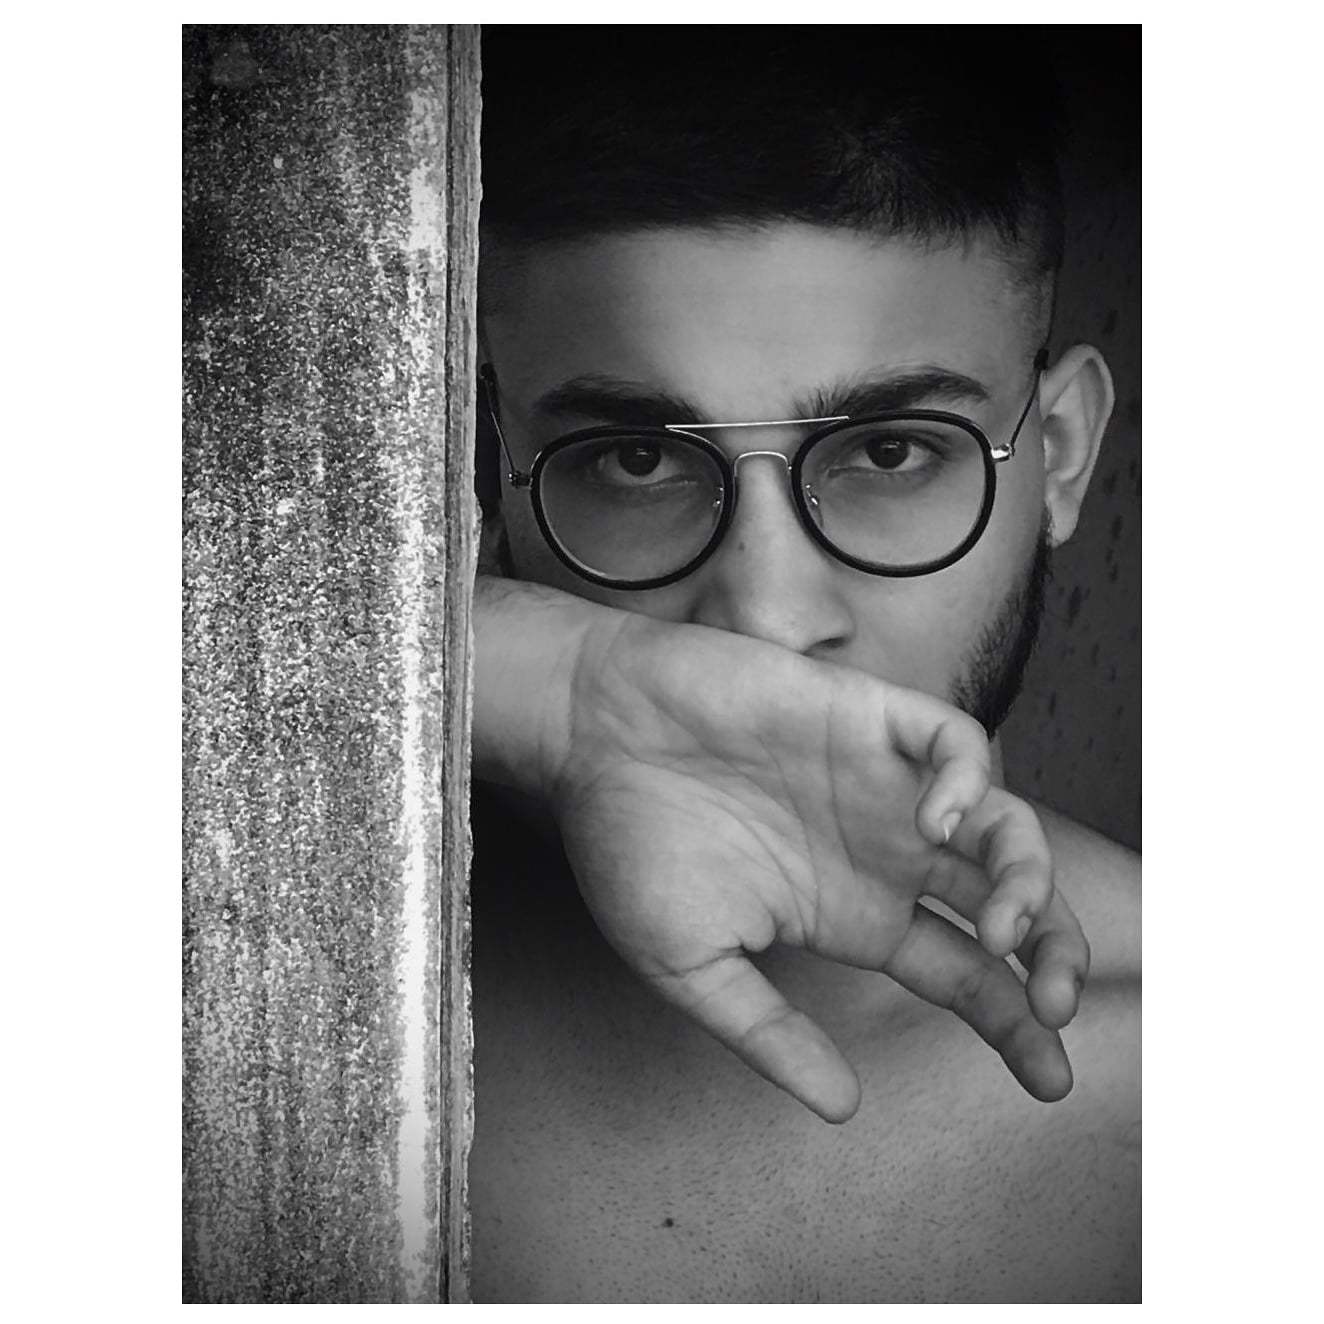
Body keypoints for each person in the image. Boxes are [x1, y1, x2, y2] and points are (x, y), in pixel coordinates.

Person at [465, 27, 1140, 1303]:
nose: (770, 621)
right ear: (489, 471)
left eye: (889, 451)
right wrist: (522, 678)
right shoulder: (272, 953)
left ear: (1054, 453)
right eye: (634, 460)